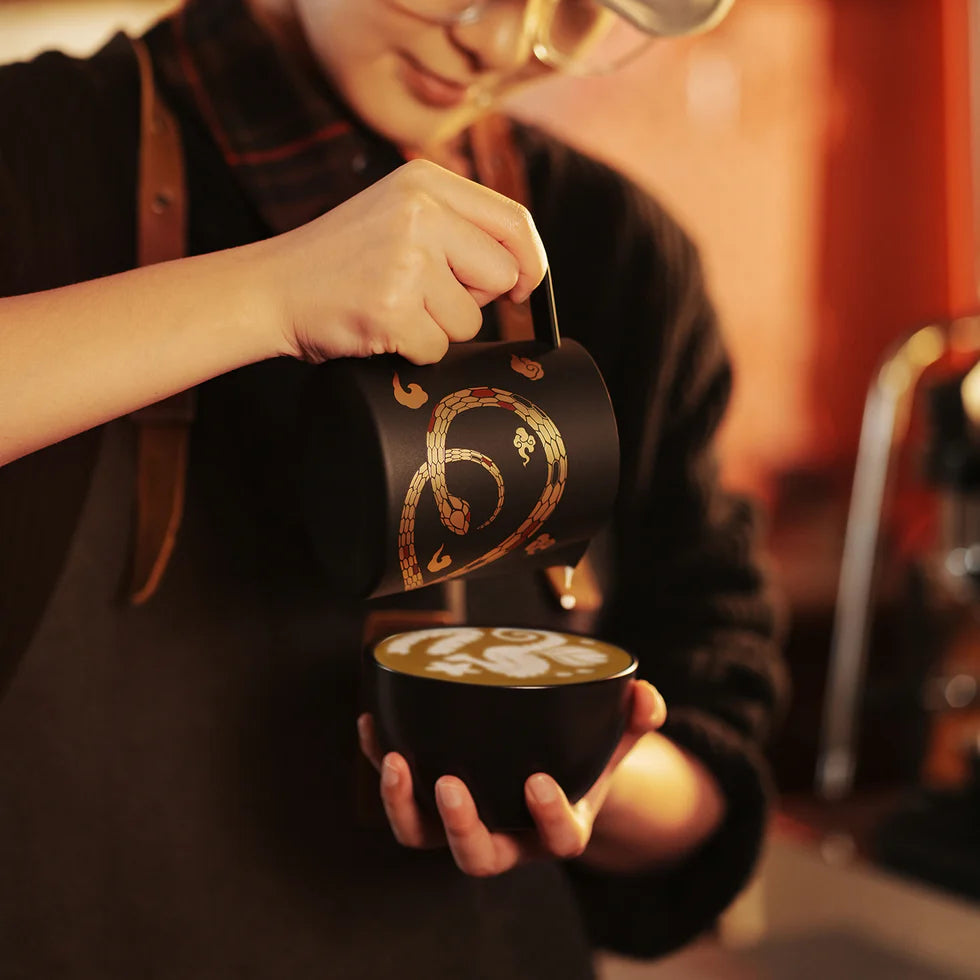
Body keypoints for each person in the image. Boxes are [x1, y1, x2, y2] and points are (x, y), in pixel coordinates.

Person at [0, 0, 787, 976]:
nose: (501, 44)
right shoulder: (33, 152)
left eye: (581, 6)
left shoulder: (617, 248)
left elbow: (711, 763)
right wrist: (265, 293)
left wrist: (581, 764)